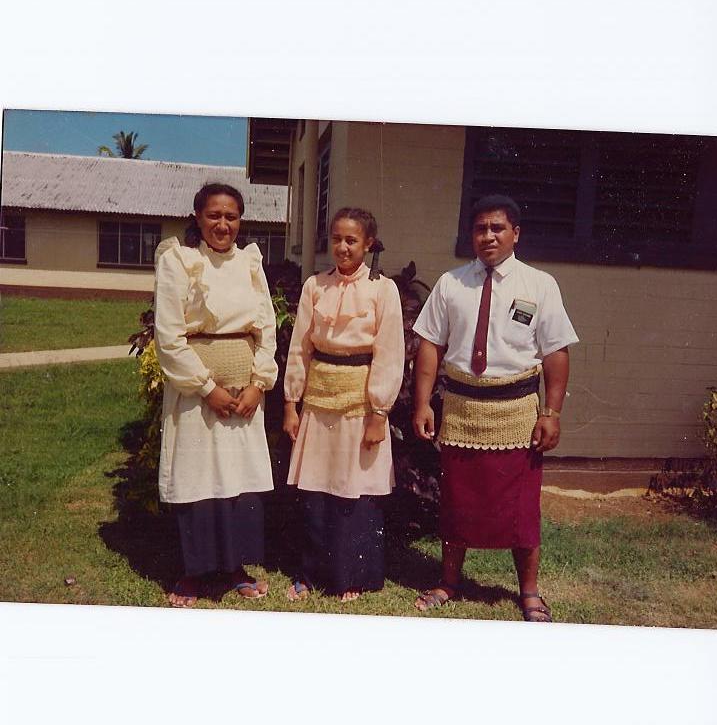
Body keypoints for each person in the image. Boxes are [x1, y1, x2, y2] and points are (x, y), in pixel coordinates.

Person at [412, 194, 578, 621]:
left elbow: (556, 351)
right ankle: (449, 581)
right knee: (457, 501)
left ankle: (529, 592)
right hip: (462, 410)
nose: (487, 236)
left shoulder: (539, 285)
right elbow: (429, 343)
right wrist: (423, 404)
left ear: (515, 233)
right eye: (480, 228)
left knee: (521, 508)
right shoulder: (452, 284)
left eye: (497, 228)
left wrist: (552, 413)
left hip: (517, 411)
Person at [153, 182, 278, 607]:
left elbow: (267, 328)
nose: (223, 225)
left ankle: (235, 568)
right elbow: (169, 337)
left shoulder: (250, 263)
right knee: (197, 478)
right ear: (198, 217)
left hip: (244, 395)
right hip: (197, 394)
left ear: (240, 221)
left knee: (238, 480)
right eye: (214, 216)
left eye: (231, 216)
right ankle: (194, 571)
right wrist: (207, 388)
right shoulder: (179, 261)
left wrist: (259, 384)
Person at [283, 207, 405, 602]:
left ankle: (350, 574)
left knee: (354, 489)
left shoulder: (382, 289)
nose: (342, 247)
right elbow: (300, 347)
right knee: (316, 487)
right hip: (318, 403)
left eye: (352, 240)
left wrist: (379, 413)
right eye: (336, 238)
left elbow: (389, 353)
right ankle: (308, 572)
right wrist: (291, 402)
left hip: (361, 406)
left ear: (368, 243)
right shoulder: (315, 286)